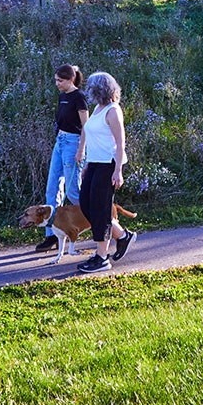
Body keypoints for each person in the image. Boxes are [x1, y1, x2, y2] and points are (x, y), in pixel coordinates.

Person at [76, 71, 137, 273]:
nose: (89, 90)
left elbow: (120, 143)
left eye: (92, 87)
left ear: (101, 88)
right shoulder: (98, 108)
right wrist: (86, 163)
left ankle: (102, 257)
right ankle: (122, 235)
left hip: (108, 165)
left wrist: (118, 171)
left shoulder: (113, 110)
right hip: (94, 164)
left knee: (100, 209)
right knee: (86, 204)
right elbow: (94, 137)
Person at [36, 64, 89, 252]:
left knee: (73, 191)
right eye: (56, 80)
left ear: (70, 79)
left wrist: (81, 151)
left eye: (60, 80)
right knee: (52, 189)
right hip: (60, 142)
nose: (57, 84)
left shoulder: (79, 98)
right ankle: (52, 235)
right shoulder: (62, 96)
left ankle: (95, 224)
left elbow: (86, 127)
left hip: (73, 144)